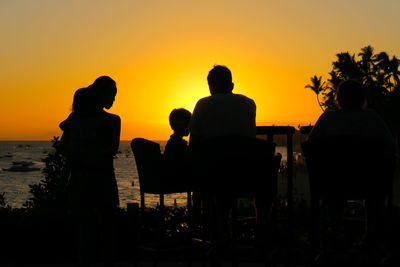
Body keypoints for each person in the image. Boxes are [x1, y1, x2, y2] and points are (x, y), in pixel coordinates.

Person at [188, 65, 274, 262]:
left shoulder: (203, 104)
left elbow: (194, 144)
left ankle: (219, 237)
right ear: (232, 84)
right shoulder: (249, 103)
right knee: (258, 179)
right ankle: (261, 237)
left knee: (214, 180)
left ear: (210, 86)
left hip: (215, 178)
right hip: (247, 176)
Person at [308, 79, 397, 250]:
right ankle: (372, 238)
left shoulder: (327, 118)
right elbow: (391, 150)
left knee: (333, 195)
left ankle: (333, 236)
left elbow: (311, 148)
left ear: (338, 98)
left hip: (333, 183)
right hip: (369, 184)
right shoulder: (373, 118)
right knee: (374, 196)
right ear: (362, 98)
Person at [60, 76, 120, 267]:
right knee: (100, 229)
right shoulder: (110, 121)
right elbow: (110, 149)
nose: (114, 98)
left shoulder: (75, 120)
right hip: (98, 177)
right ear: (101, 94)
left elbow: (64, 148)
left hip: (84, 176)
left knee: (88, 230)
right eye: (112, 94)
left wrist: (80, 156)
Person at [162, 108, 192, 192]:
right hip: (178, 180)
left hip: (172, 178)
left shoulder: (172, 142)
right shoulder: (178, 144)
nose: (191, 127)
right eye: (189, 123)